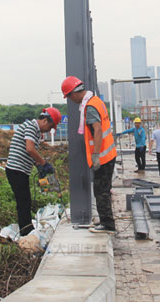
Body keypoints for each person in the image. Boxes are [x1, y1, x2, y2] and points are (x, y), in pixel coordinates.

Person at [61, 75, 117, 233]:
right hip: (108, 153)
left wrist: (96, 155)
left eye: (69, 96)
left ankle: (108, 225)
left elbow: (97, 129)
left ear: (73, 93)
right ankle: (106, 221)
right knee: (103, 190)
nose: (70, 100)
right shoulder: (95, 100)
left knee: (101, 191)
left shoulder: (90, 107)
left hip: (103, 157)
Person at [5, 108, 61, 236]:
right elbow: (30, 148)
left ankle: (26, 230)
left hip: (21, 171)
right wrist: (43, 163)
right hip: (16, 170)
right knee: (23, 202)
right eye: (50, 127)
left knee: (25, 201)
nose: (48, 131)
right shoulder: (31, 127)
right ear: (45, 121)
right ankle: (26, 233)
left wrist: (38, 166)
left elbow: (30, 152)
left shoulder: (35, 131)